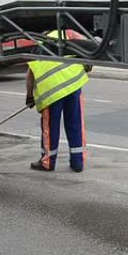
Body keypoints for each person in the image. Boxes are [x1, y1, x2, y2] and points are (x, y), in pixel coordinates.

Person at [25, 30, 90, 172]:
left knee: (50, 128)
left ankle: (48, 162)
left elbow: (30, 76)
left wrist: (30, 96)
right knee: (75, 125)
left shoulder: (37, 43)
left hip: (51, 93)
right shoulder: (67, 33)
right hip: (73, 87)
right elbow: (89, 48)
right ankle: (77, 163)